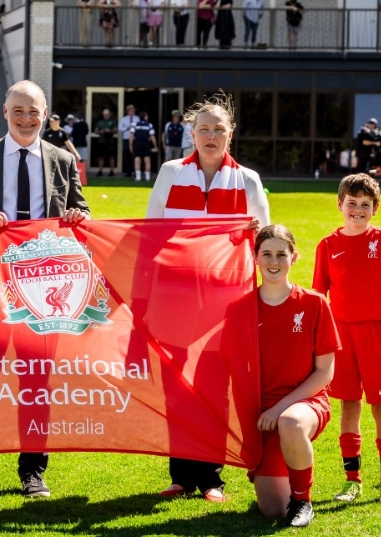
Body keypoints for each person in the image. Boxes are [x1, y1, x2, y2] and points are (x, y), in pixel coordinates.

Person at [0, 80, 90, 499]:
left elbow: (81, 211)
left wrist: (79, 216)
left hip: (44, 291)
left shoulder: (63, 159)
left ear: (46, 114)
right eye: (18, 111)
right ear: (5, 113)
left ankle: (33, 471)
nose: (27, 119)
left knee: (36, 382)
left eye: (34, 111)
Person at [147, 94, 270, 502]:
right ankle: (181, 474)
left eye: (219, 129)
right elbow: (150, 234)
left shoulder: (247, 180)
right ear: (191, 133)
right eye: (203, 128)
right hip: (175, 297)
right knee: (176, 386)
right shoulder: (169, 172)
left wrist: (253, 232)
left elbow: (267, 244)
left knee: (214, 386)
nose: (211, 135)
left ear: (230, 134)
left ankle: (212, 477)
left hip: (225, 302)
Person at [312, 174, 381, 505]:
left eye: (365, 205)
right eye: (351, 204)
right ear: (340, 205)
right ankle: (353, 482)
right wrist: (318, 340)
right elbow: (319, 296)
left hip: (377, 334)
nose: (357, 210)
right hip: (341, 338)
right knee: (348, 406)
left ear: (375, 209)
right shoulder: (327, 245)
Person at [249, 224, 338, 527]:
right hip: (261, 414)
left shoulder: (314, 303)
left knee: (290, 422)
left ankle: (303, 501)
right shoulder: (242, 308)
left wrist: (279, 408)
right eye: (266, 254)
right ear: (255, 258)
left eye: (281, 254)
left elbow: (325, 372)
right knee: (272, 510)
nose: (274, 262)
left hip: (305, 403)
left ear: (294, 257)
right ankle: (279, 478)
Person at [129, 111, 158, 181]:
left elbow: (131, 135)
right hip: (146, 143)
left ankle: (138, 177)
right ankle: (147, 177)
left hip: (137, 143)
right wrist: (155, 146)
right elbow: (152, 136)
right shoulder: (149, 125)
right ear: (145, 117)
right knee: (147, 160)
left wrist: (130, 145)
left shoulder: (134, 124)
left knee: (137, 160)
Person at [95, 108, 117, 176]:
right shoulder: (100, 122)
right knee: (101, 156)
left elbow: (116, 130)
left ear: (109, 114)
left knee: (111, 156)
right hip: (102, 141)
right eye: (105, 114)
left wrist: (109, 130)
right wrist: (102, 131)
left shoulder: (113, 121)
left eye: (107, 114)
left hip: (110, 141)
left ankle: (112, 171)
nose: (106, 116)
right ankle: (100, 171)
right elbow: (96, 131)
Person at [119, 104, 139, 177]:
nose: (132, 111)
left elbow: (139, 127)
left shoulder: (137, 118)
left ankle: (135, 171)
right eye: (131, 110)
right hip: (126, 138)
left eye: (133, 110)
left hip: (134, 139)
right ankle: (128, 172)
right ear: (128, 111)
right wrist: (126, 128)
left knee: (134, 155)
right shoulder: (124, 119)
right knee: (127, 155)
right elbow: (120, 128)